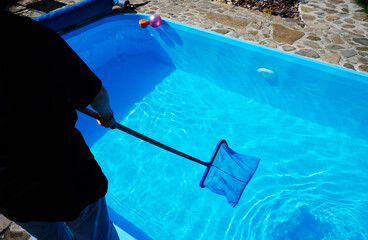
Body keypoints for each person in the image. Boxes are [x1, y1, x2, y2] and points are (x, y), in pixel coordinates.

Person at [0, 2, 119, 240]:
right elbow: (96, 94)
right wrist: (106, 116)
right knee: (96, 234)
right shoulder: (25, 33)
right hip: (65, 174)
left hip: (10, 190)